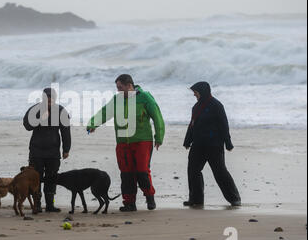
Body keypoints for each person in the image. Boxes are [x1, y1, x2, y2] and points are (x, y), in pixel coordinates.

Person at [87, 74, 165, 212]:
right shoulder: (117, 99)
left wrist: (159, 137)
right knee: (126, 173)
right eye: (117, 88)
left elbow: (157, 117)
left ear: (129, 86)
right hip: (123, 142)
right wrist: (93, 124)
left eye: (120, 87)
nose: (118, 91)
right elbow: (105, 112)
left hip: (142, 141)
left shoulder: (144, 97)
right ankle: (129, 203)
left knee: (142, 171)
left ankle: (149, 196)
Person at [183, 81, 241, 207]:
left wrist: (228, 143)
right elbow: (192, 124)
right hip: (198, 144)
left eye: (195, 92)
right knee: (193, 170)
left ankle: (234, 198)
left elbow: (224, 125)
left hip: (214, 145)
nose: (194, 95)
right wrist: (187, 140)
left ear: (202, 92)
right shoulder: (196, 107)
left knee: (220, 172)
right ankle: (196, 199)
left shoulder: (217, 105)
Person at [23, 88, 71, 213]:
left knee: (51, 178)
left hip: (53, 152)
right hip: (36, 151)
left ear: (55, 99)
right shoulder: (35, 110)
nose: (49, 104)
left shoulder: (61, 111)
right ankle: (37, 204)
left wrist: (66, 149)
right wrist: (39, 118)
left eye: (51, 101)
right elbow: (27, 126)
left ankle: (50, 205)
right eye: (46, 101)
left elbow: (66, 131)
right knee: (35, 178)